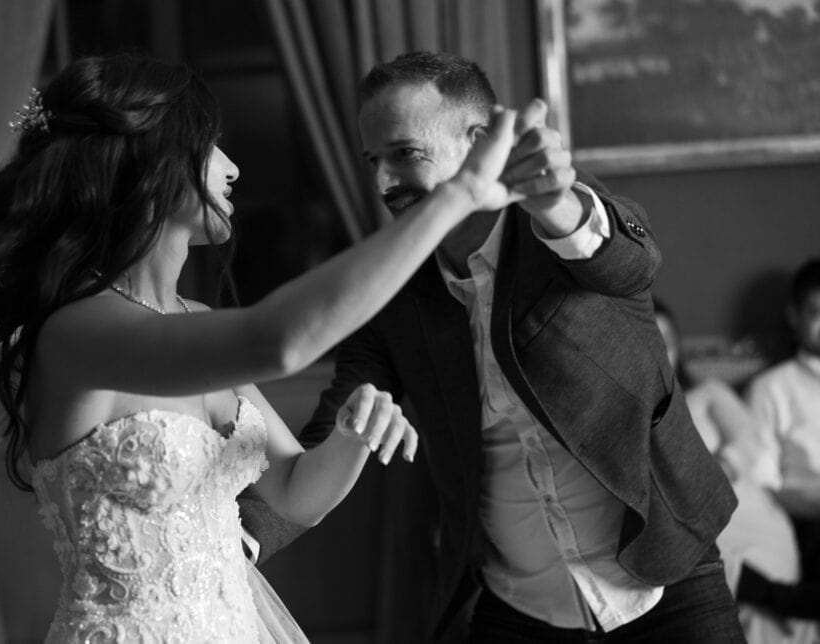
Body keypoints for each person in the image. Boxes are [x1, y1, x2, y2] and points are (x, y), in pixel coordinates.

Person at [0, 53, 533, 643]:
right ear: (153, 166)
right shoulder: (80, 331)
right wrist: (456, 196)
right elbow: (280, 340)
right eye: (211, 147)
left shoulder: (191, 319)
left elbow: (293, 494)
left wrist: (350, 436)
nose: (233, 168)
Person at [246, 51, 744, 642]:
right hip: (519, 608)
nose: (381, 183)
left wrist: (558, 202)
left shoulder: (561, 229)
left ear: (480, 144)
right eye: (373, 160)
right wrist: (238, 538)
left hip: (665, 578)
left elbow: (631, 264)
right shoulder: (389, 289)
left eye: (404, 153)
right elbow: (335, 424)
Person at [655, 300, 819, 643]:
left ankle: (777, 598)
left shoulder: (707, 395)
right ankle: (774, 598)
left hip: (744, 505)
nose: (658, 351)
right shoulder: (629, 427)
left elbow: (749, 438)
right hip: (694, 532)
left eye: (666, 341)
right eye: (647, 341)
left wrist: (721, 467)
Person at [746, 258, 820, 583]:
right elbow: (762, 487)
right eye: (817, 313)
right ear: (794, 316)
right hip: (807, 524)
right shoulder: (771, 388)